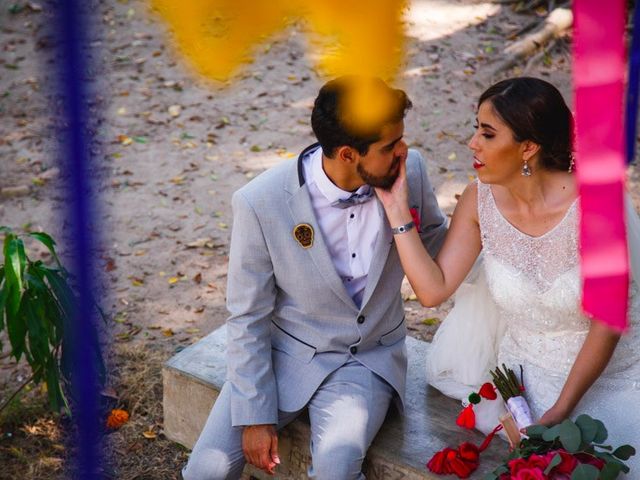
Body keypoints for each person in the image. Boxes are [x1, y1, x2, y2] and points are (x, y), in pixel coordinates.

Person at [181, 76, 447, 480]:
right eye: (389, 146)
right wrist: (255, 416)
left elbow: (440, 245)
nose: (403, 152)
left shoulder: (411, 171)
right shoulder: (259, 202)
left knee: (336, 470)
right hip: (285, 352)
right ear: (346, 153)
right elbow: (247, 314)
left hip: (367, 359)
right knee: (206, 471)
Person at [376, 77, 640, 466]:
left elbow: (607, 322)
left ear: (528, 148)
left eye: (488, 133)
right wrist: (396, 207)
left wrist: (558, 413)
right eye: (475, 129)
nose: (473, 144)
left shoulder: (596, 206)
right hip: (522, 380)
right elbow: (433, 291)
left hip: (606, 380)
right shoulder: (478, 200)